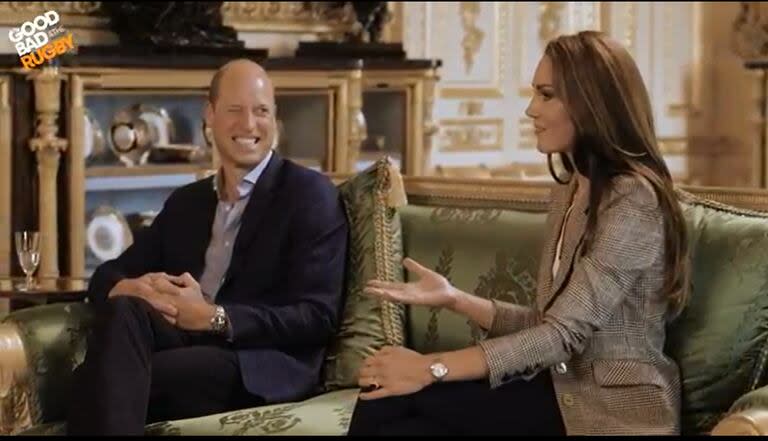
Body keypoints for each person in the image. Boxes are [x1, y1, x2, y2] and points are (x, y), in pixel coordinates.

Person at [347, 31, 690, 436]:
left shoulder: (634, 199)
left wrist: (430, 367)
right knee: (381, 395)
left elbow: (562, 335)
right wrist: (455, 299)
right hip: (558, 388)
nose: (531, 109)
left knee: (400, 407)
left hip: (614, 408)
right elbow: (549, 322)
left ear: (592, 104)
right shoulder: (570, 189)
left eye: (546, 95)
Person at [66, 59, 349, 435]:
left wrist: (215, 317)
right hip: (185, 341)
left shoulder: (308, 194)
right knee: (125, 311)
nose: (249, 125)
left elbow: (317, 316)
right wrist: (127, 287)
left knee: (101, 377)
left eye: (261, 111)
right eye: (235, 110)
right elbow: (106, 275)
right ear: (210, 115)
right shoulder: (187, 202)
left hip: (257, 361)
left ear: (274, 118)